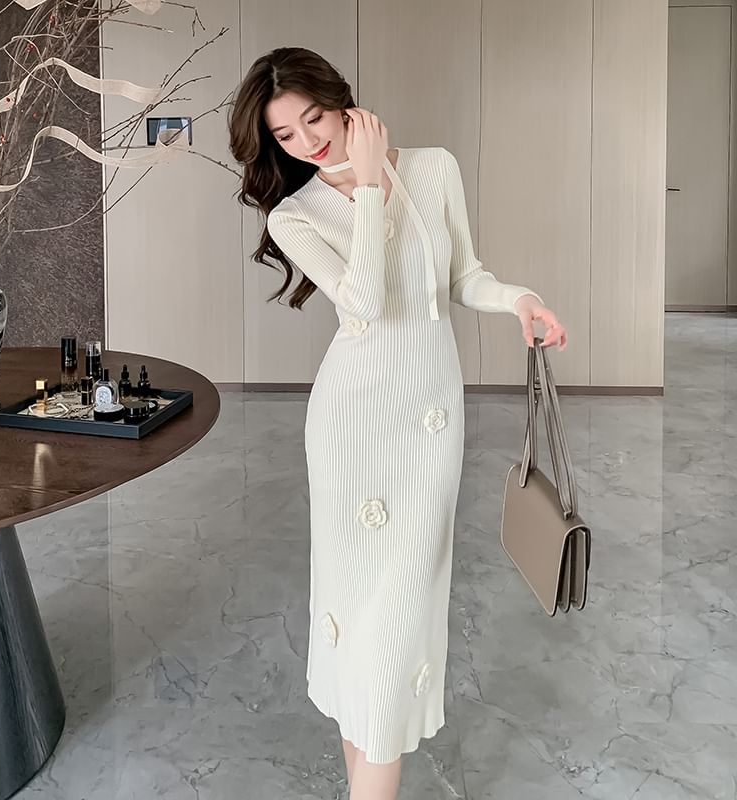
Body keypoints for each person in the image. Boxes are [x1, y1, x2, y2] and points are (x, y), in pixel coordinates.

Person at [228, 46, 567, 800]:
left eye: (314, 118)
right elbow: (365, 302)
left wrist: (519, 299)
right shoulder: (294, 215)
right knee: (359, 619)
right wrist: (371, 187)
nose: (308, 142)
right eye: (285, 136)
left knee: (400, 615)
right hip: (351, 423)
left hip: (427, 423)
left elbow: (463, 276)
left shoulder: (436, 169)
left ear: (342, 101)